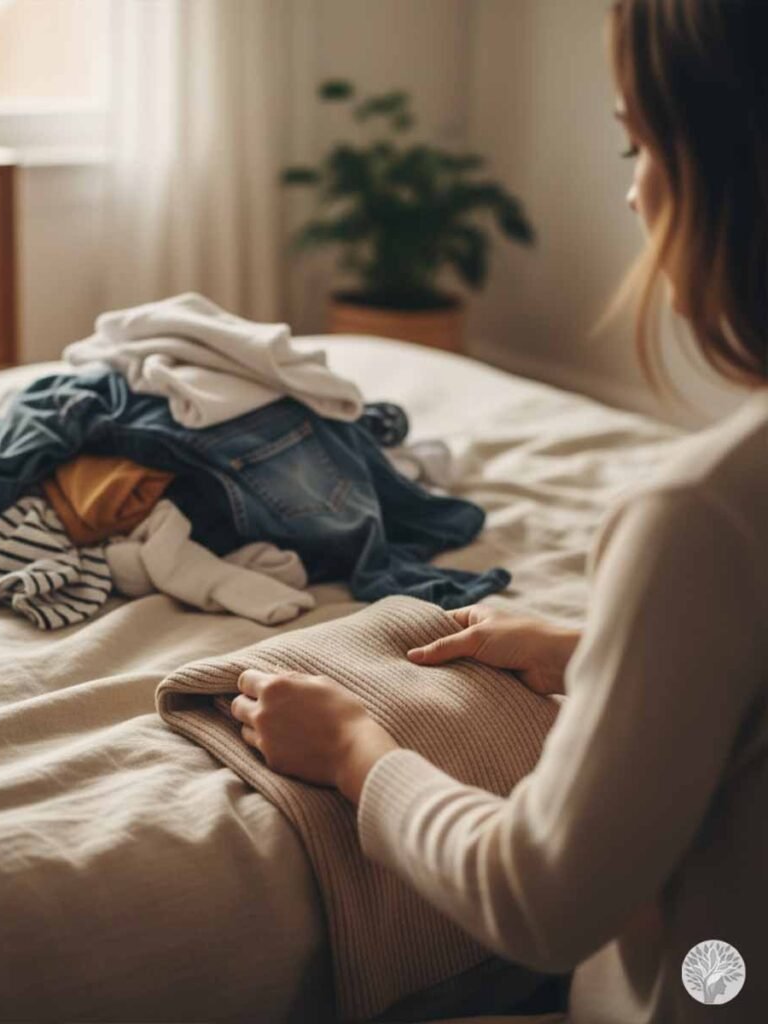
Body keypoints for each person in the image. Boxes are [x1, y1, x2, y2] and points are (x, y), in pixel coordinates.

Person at [229, 1, 767, 1021]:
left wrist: (354, 751)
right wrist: (590, 650)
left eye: (640, 144)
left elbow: (540, 901)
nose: (631, 190)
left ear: (731, 167)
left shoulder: (703, 519)